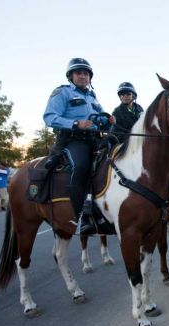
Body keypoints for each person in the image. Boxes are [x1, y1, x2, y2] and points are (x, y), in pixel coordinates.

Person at [43, 57, 113, 236]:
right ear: (71, 76)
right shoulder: (62, 93)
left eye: (86, 73)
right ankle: (81, 216)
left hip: (95, 140)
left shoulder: (93, 98)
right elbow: (49, 117)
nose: (83, 76)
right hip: (72, 140)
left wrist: (109, 122)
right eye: (78, 73)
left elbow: (99, 121)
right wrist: (76, 123)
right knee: (82, 166)